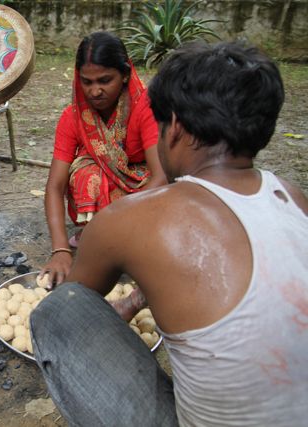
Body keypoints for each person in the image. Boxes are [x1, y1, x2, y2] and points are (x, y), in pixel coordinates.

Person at [30, 41, 308, 426]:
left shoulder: (132, 218)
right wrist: (130, 303)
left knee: (59, 310)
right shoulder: (293, 198)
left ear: (174, 126)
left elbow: (80, 304)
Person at [41, 31, 166, 285]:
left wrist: (115, 223)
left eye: (105, 80)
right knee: (88, 175)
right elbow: (55, 186)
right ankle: (96, 236)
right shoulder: (73, 117)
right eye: (87, 82)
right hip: (107, 190)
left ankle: (119, 241)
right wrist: (61, 250)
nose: (95, 91)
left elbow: (162, 176)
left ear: (125, 75)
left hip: (142, 195)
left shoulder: (146, 108)